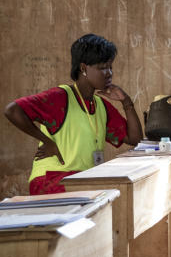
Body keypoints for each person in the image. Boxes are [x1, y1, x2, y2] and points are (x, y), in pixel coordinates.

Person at [3, 34, 143, 194]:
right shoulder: (60, 97)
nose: (109, 73)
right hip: (51, 179)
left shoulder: (100, 105)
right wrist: (46, 141)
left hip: (83, 179)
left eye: (110, 67)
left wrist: (126, 102)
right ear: (83, 68)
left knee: (118, 190)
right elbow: (12, 110)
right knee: (106, 192)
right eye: (102, 67)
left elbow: (135, 139)